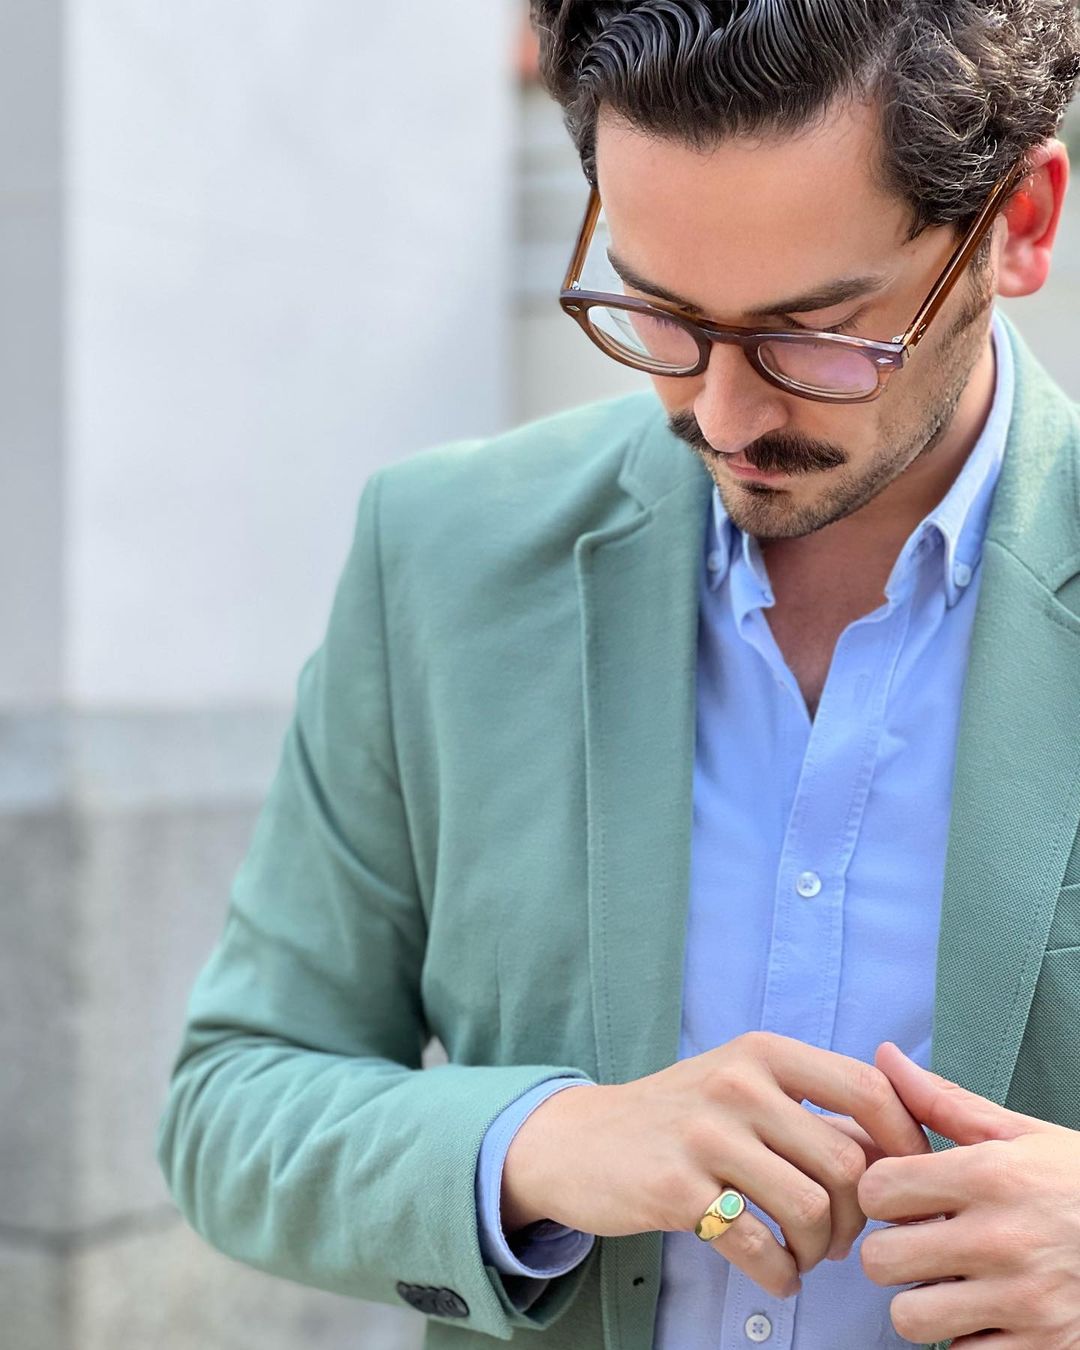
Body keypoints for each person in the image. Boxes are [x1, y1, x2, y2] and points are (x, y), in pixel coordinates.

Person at [155, 2, 1080, 1347]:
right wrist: (541, 1144)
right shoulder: (440, 554)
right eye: (658, 309)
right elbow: (231, 1102)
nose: (724, 412)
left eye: (814, 332)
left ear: (1021, 222)